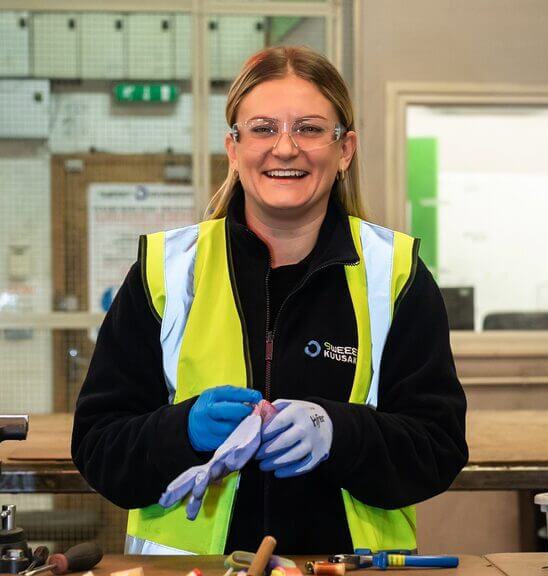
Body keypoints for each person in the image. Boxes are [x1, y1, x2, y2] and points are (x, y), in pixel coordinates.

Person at [71, 45, 468, 555]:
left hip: (346, 569)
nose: (285, 148)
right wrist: (183, 430)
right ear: (233, 148)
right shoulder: (165, 273)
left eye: (308, 128)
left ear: (344, 149)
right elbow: (98, 447)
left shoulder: (396, 274)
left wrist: (337, 432)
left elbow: (437, 448)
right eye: (262, 128)